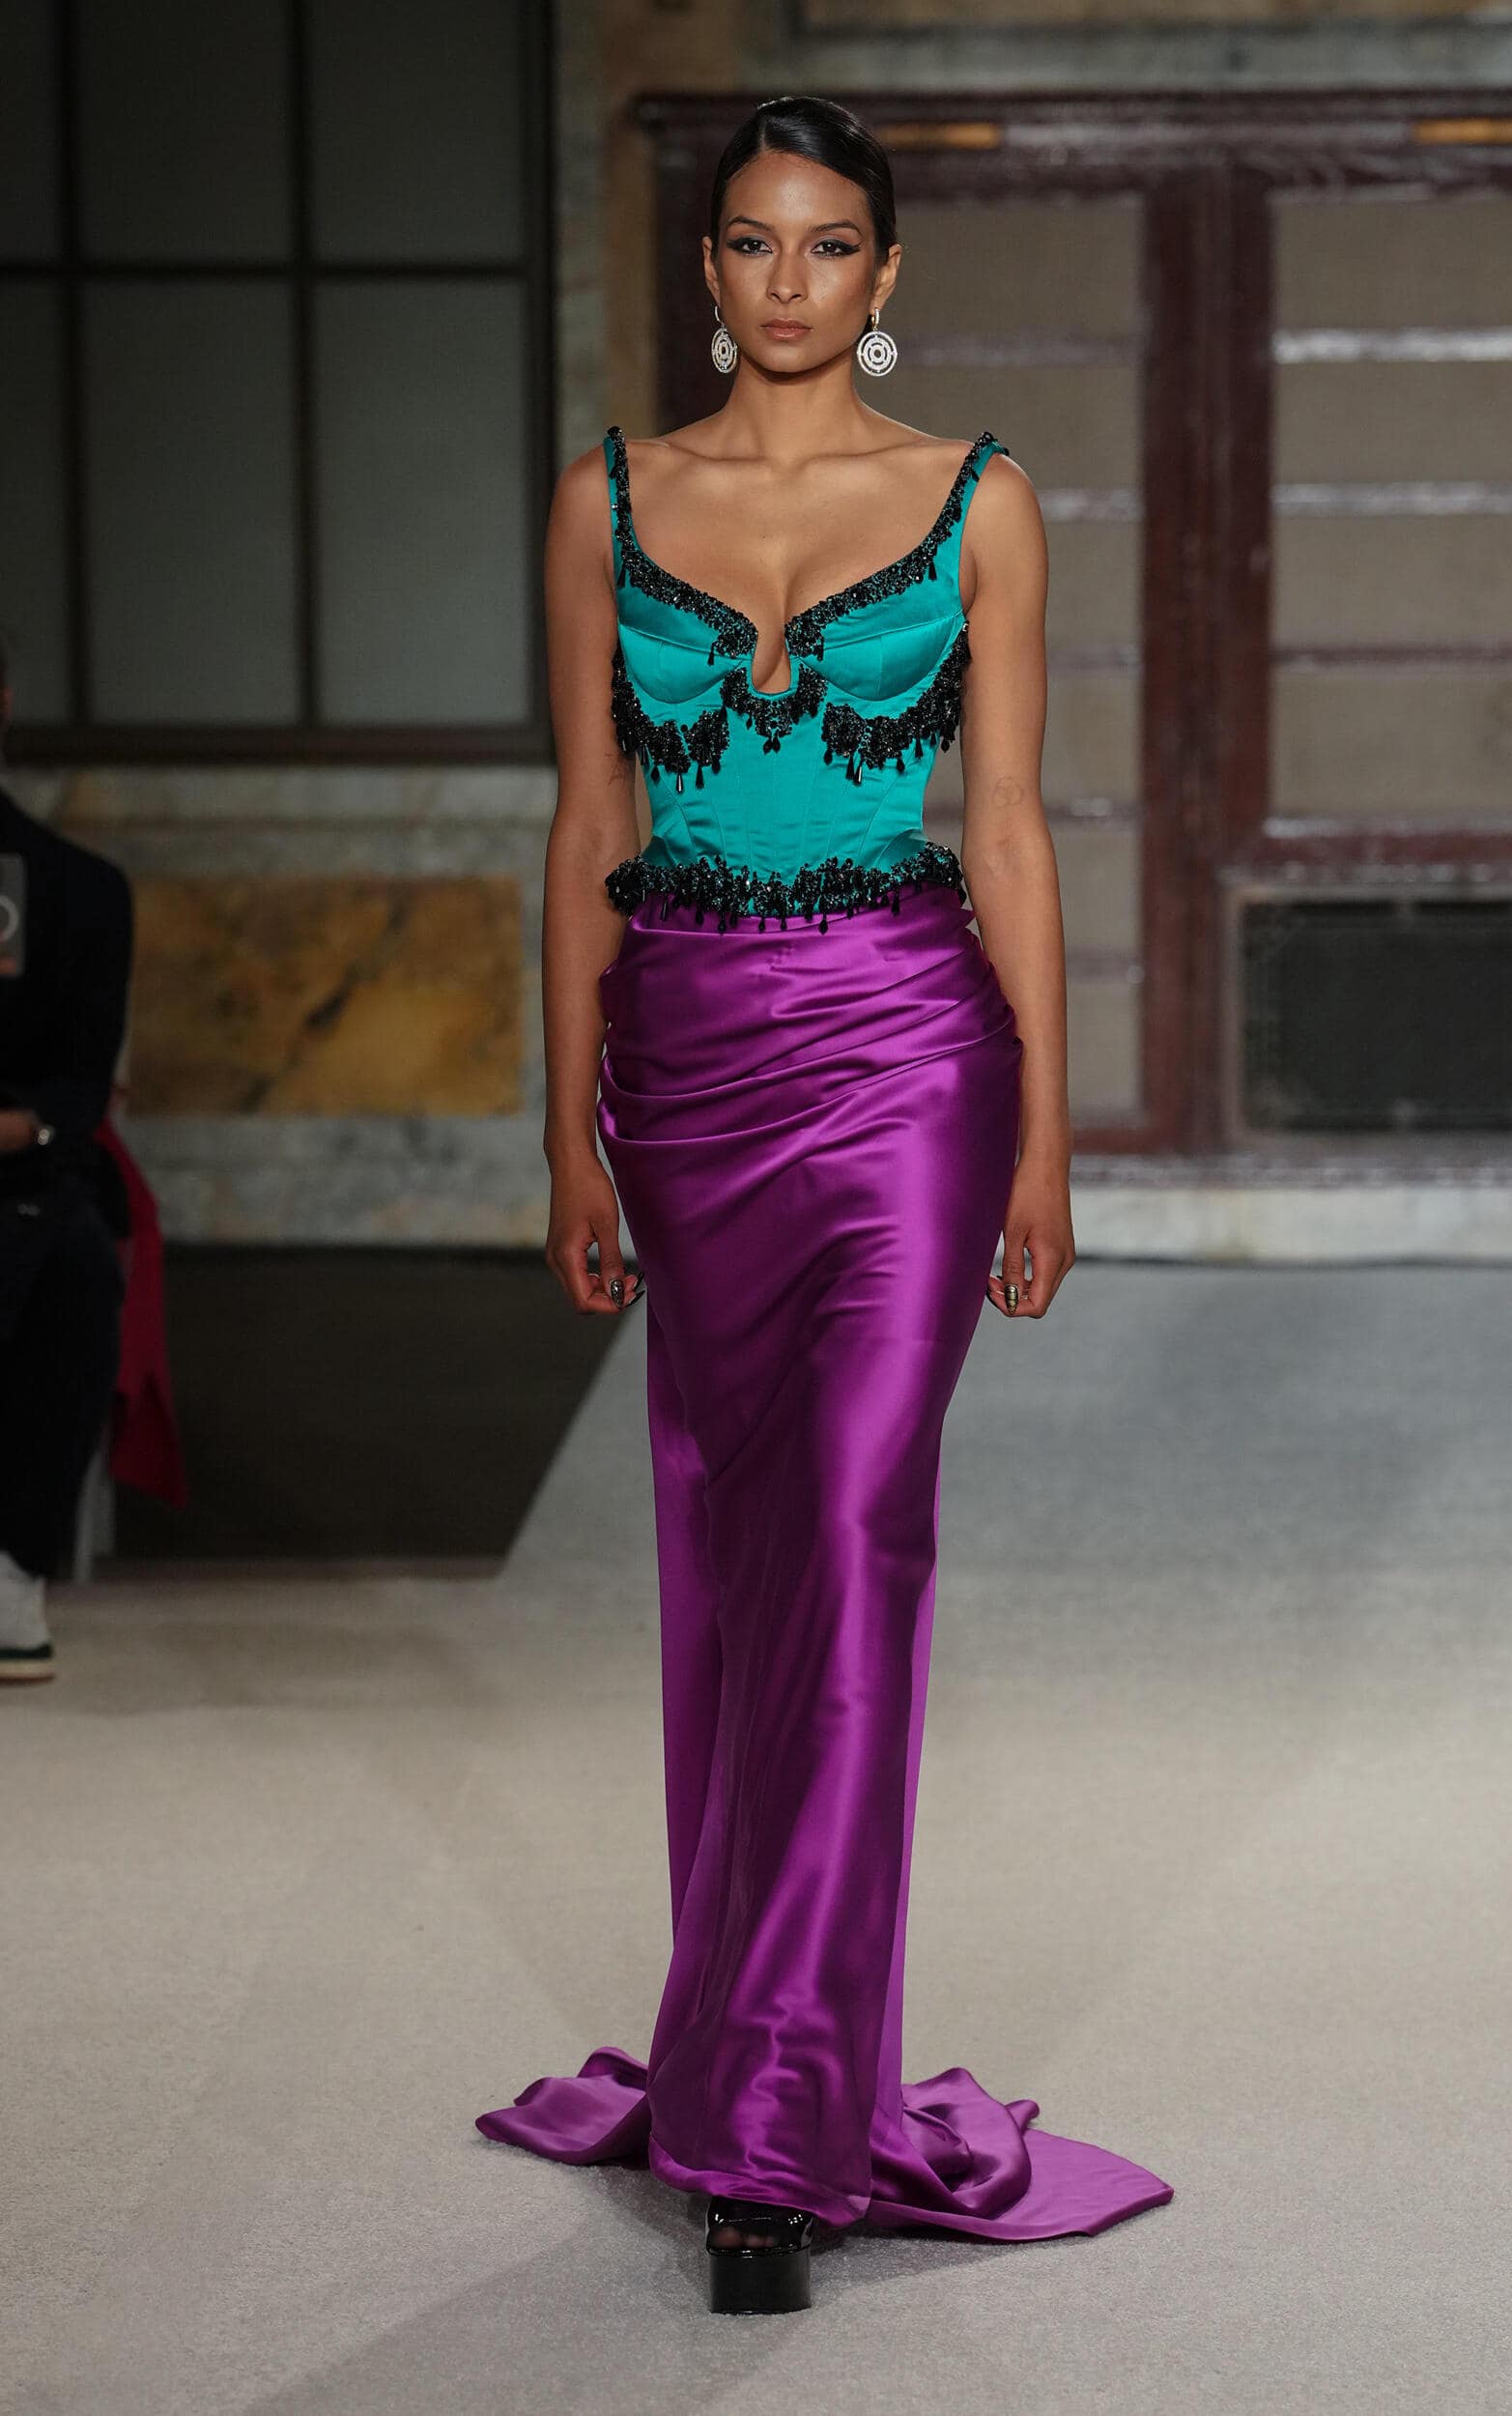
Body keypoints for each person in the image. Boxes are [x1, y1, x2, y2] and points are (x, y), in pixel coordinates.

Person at [476, 95, 1172, 2311]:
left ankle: (771, 2135)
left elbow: (1011, 828)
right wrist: (563, 1133)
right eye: (754, 244)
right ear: (707, 271)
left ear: (885, 273)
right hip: (681, 1061)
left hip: (906, 1056)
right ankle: (741, 2037)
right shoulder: (603, 499)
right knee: (732, 1551)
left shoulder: (979, 501)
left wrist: (1042, 1134)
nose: (790, 282)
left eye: (830, 244)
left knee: (856, 1542)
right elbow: (586, 820)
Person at [0, 636, 133, 1681]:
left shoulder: (75, 888)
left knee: (75, 1271)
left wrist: (30, 1124)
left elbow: (80, 1089)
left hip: (22, 1175)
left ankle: (13, 1565)